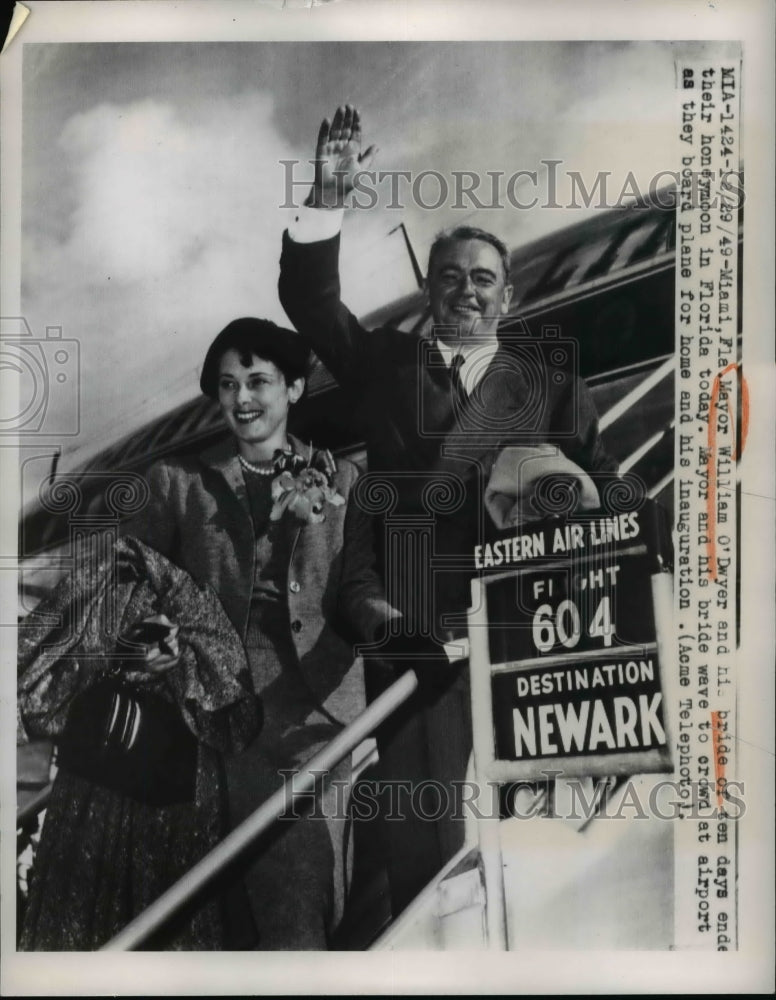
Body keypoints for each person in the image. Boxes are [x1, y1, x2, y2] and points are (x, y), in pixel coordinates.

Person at [278, 105, 618, 914]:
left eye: (483, 277)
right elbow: (308, 297)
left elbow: (608, 482)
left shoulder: (549, 383)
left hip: (528, 628)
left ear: (510, 292)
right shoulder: (385, 364)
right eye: (451, 276)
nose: (467, 289)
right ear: (430, 289)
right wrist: (327, 194)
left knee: (535, 828)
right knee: (423, 839)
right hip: (416, 629)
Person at [19, 317, 397, 951]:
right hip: (216, 718)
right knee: (270, 905)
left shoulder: (346, 484)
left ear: (295, 389)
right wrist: (151, 638)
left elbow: (359, 590)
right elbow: (124, 583)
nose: (242, 399)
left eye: (257, 381)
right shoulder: (178, 484)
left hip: (321, 717)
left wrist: (394, 630)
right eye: (227, 385)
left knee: (321, 894)